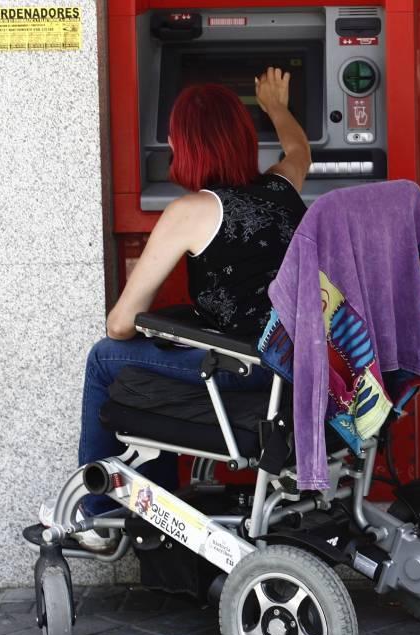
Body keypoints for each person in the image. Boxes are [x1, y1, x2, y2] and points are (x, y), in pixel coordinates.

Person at [40, 68, 310, 551]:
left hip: (244, 367)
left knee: (105, 356)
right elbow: (299, 151)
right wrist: (276, 107)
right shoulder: (283, 187)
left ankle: (98, 516)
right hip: (291, 363)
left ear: (184, 145)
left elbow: (121, 323)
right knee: (162, 348)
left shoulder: (191, 211)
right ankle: (156, 505)